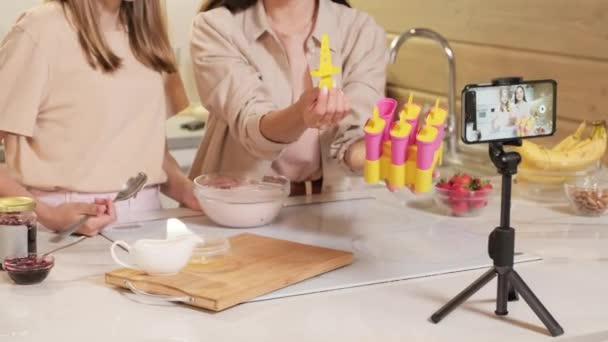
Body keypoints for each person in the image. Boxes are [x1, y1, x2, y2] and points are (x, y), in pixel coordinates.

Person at [0, 0, 200, 236]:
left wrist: (191, 192)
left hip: (149, 221)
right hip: (60, 226)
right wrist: (49, 215)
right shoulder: (39, 29)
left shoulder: (148, 35)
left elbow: (152, 151)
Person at [189, 0, 387, 196]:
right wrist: (300, 114)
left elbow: (354, 139)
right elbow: (250, 125)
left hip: (335, 209)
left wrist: (382, 154)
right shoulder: (217, 27)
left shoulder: (361, 31)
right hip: (241, 204)